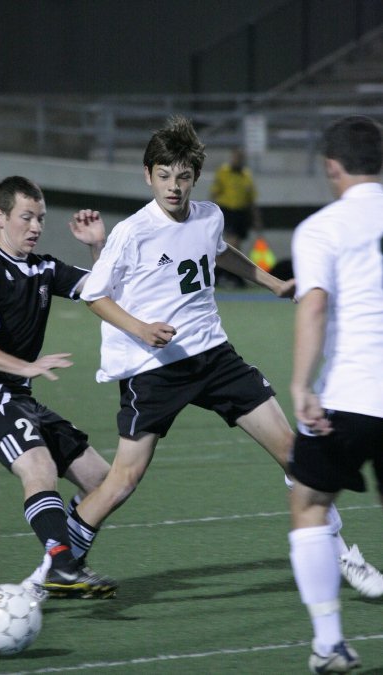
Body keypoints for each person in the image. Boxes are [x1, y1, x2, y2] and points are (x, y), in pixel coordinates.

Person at [56, 115, 378, 601]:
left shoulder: (208, 216)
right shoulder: (132, 232)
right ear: (148, 175)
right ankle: (59, 561)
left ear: (195, 177)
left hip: (214, 357)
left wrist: (271, 281)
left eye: (183, 176)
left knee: (296, 456)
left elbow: (219, 250)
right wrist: (141, 328)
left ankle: (342, 556)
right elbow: (96, 295)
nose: (174, 187)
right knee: (123, 480)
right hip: (155, 370)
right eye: (164, 175)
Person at [0, 175, 117, 602]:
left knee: (103, 479)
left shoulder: (44, 267)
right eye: (26, 217)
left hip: (20, 397)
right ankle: (63, 564)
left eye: (40, 218)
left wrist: (95, 246)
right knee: (38, 467)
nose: (35, 227)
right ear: (0, 216)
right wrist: (26, 366)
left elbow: (99, 289)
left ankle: (54, 567)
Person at [288, 115, 383, 673]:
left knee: (309, 503)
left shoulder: (322, 227)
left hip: (349, 395)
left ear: (332, 167)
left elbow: (315, 305)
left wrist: (301, 384)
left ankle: (330, 643)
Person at [210, 145, 263, 288]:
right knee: (231, 244)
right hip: (227, 211)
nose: (238, 159)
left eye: (240, 157)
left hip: (241, 214)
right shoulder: (223, 172)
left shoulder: (246, 175)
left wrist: (256, 219)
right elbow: (214, 193)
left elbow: (251, 200)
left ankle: (230, 276)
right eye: (236, 156)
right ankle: (224, 275)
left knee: (237, 247)